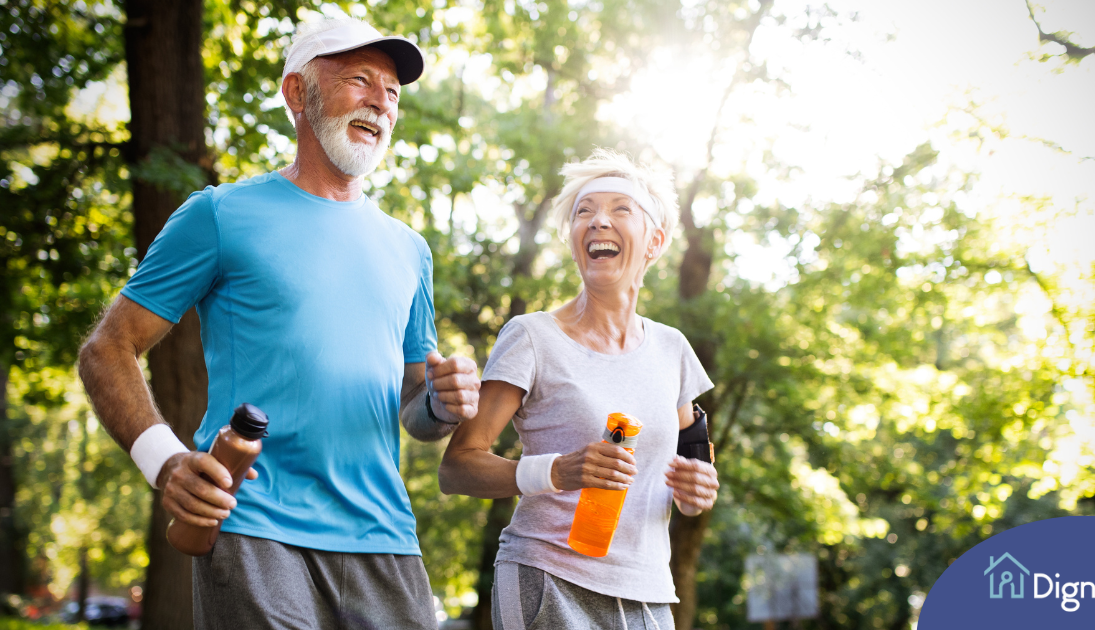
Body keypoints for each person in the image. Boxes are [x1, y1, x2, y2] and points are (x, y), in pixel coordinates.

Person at [78, 17, 480, 630]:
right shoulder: (221, 213)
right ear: (298, 94)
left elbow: (413, 407)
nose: (380, 101)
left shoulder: (410, 250)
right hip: (256, 529)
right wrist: (165, 461)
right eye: (359, 80)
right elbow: (107, 348)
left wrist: (445, 405)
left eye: (392, 92)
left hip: (385, 538)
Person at [438, 149, 720, 630]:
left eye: (620, 209)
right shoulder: (532, 337)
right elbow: (457, 467)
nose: (598, 222)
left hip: (648, 592)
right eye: (584, 212)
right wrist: (559, 470)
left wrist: (698, 490)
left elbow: (694, 454)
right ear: (573, 241)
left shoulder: (673, 350)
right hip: (549, 578)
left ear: (654, 241)